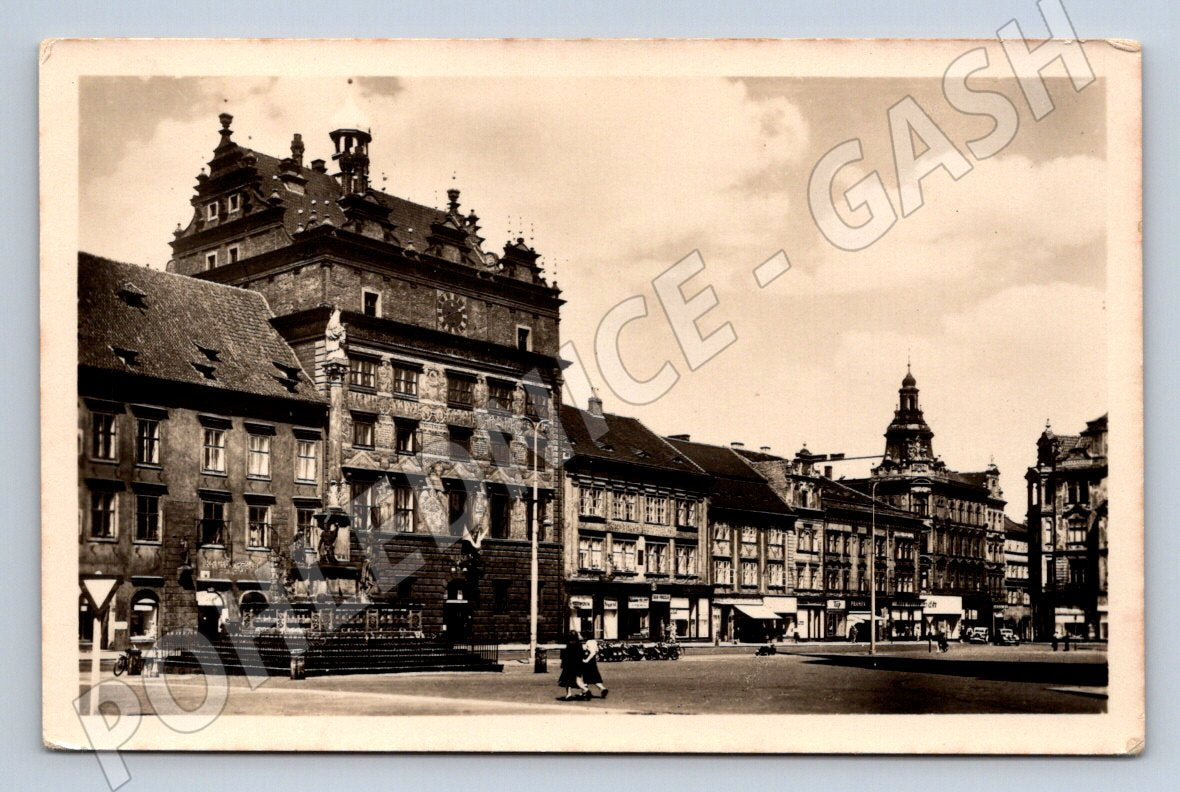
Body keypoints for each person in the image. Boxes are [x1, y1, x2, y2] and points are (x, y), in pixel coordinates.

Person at [557, 630, 590, 701]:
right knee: (578, 680)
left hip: (569, 666)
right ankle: (585, 689)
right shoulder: (579, 644)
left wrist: (563, 664)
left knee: (566, 680)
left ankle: (569, 694)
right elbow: (581, 655)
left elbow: (565, 656)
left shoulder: (568, 645)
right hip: (578, 665)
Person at [581, 635, 609, 699]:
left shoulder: (588, 642)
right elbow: (596, 651)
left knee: (585, 677)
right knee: (594, 677)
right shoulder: (594, 642)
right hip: (593, 662)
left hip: (588, 662)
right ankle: (602, 688)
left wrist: (586, 660)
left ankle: (585, 692)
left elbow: (592, 652)